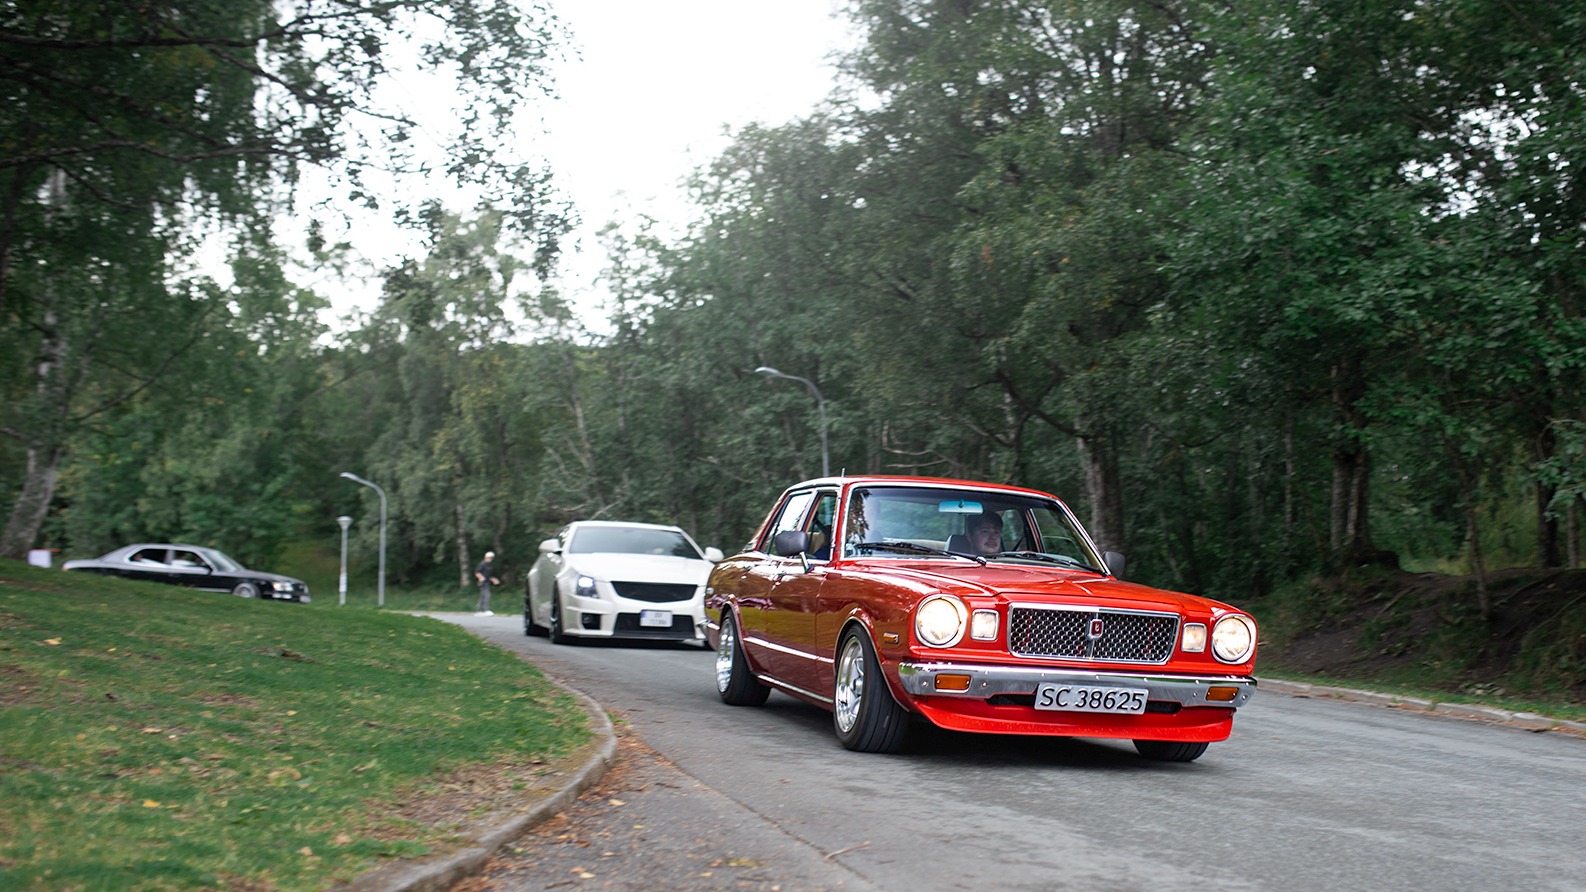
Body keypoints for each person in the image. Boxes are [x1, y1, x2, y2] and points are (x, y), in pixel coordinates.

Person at [474, 551, 499, 616]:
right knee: (487, 595)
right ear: (486, 557)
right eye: (490, 558)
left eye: (491, 558)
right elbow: (477, 572)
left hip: (487, 582)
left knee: (483, 596)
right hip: (483, 583)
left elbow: (488, 575)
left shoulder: (489, 565)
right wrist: (481, 577)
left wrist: (493, 579)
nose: (491, 559)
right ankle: (486, 610)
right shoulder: (482, 564)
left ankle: (478, 611)